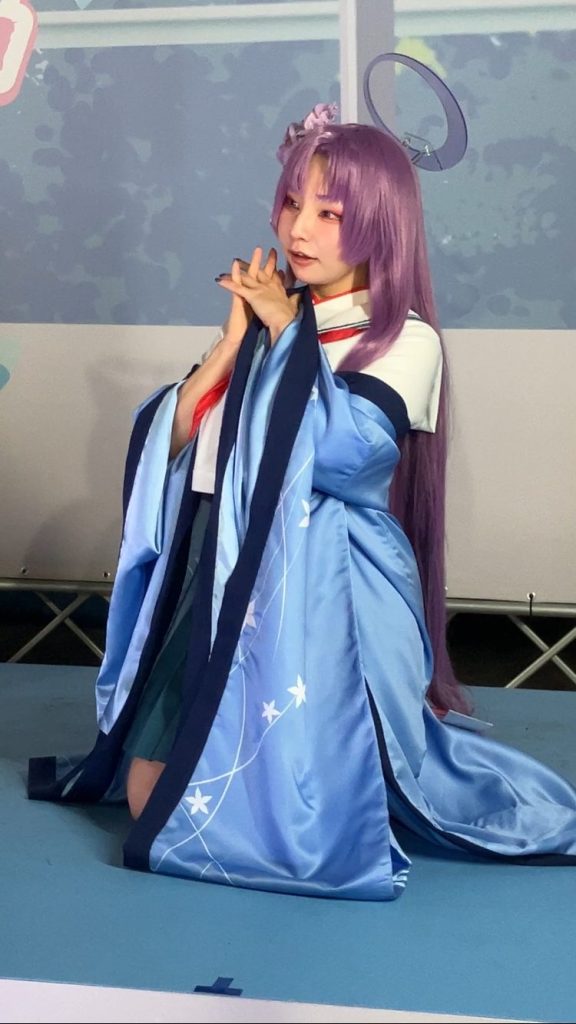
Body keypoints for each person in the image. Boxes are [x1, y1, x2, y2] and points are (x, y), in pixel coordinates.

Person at [29, 108, 576, 899]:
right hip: (223, 566)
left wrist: (285, 332)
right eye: (292, 203)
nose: (299, 228)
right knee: (155, 795)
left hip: (327, 588)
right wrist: (230, 347)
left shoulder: (402, 338)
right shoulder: (269, 324)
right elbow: (179, 443)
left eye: (330, 212)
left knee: (279, 781)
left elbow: (346, 455)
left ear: (381, 225)